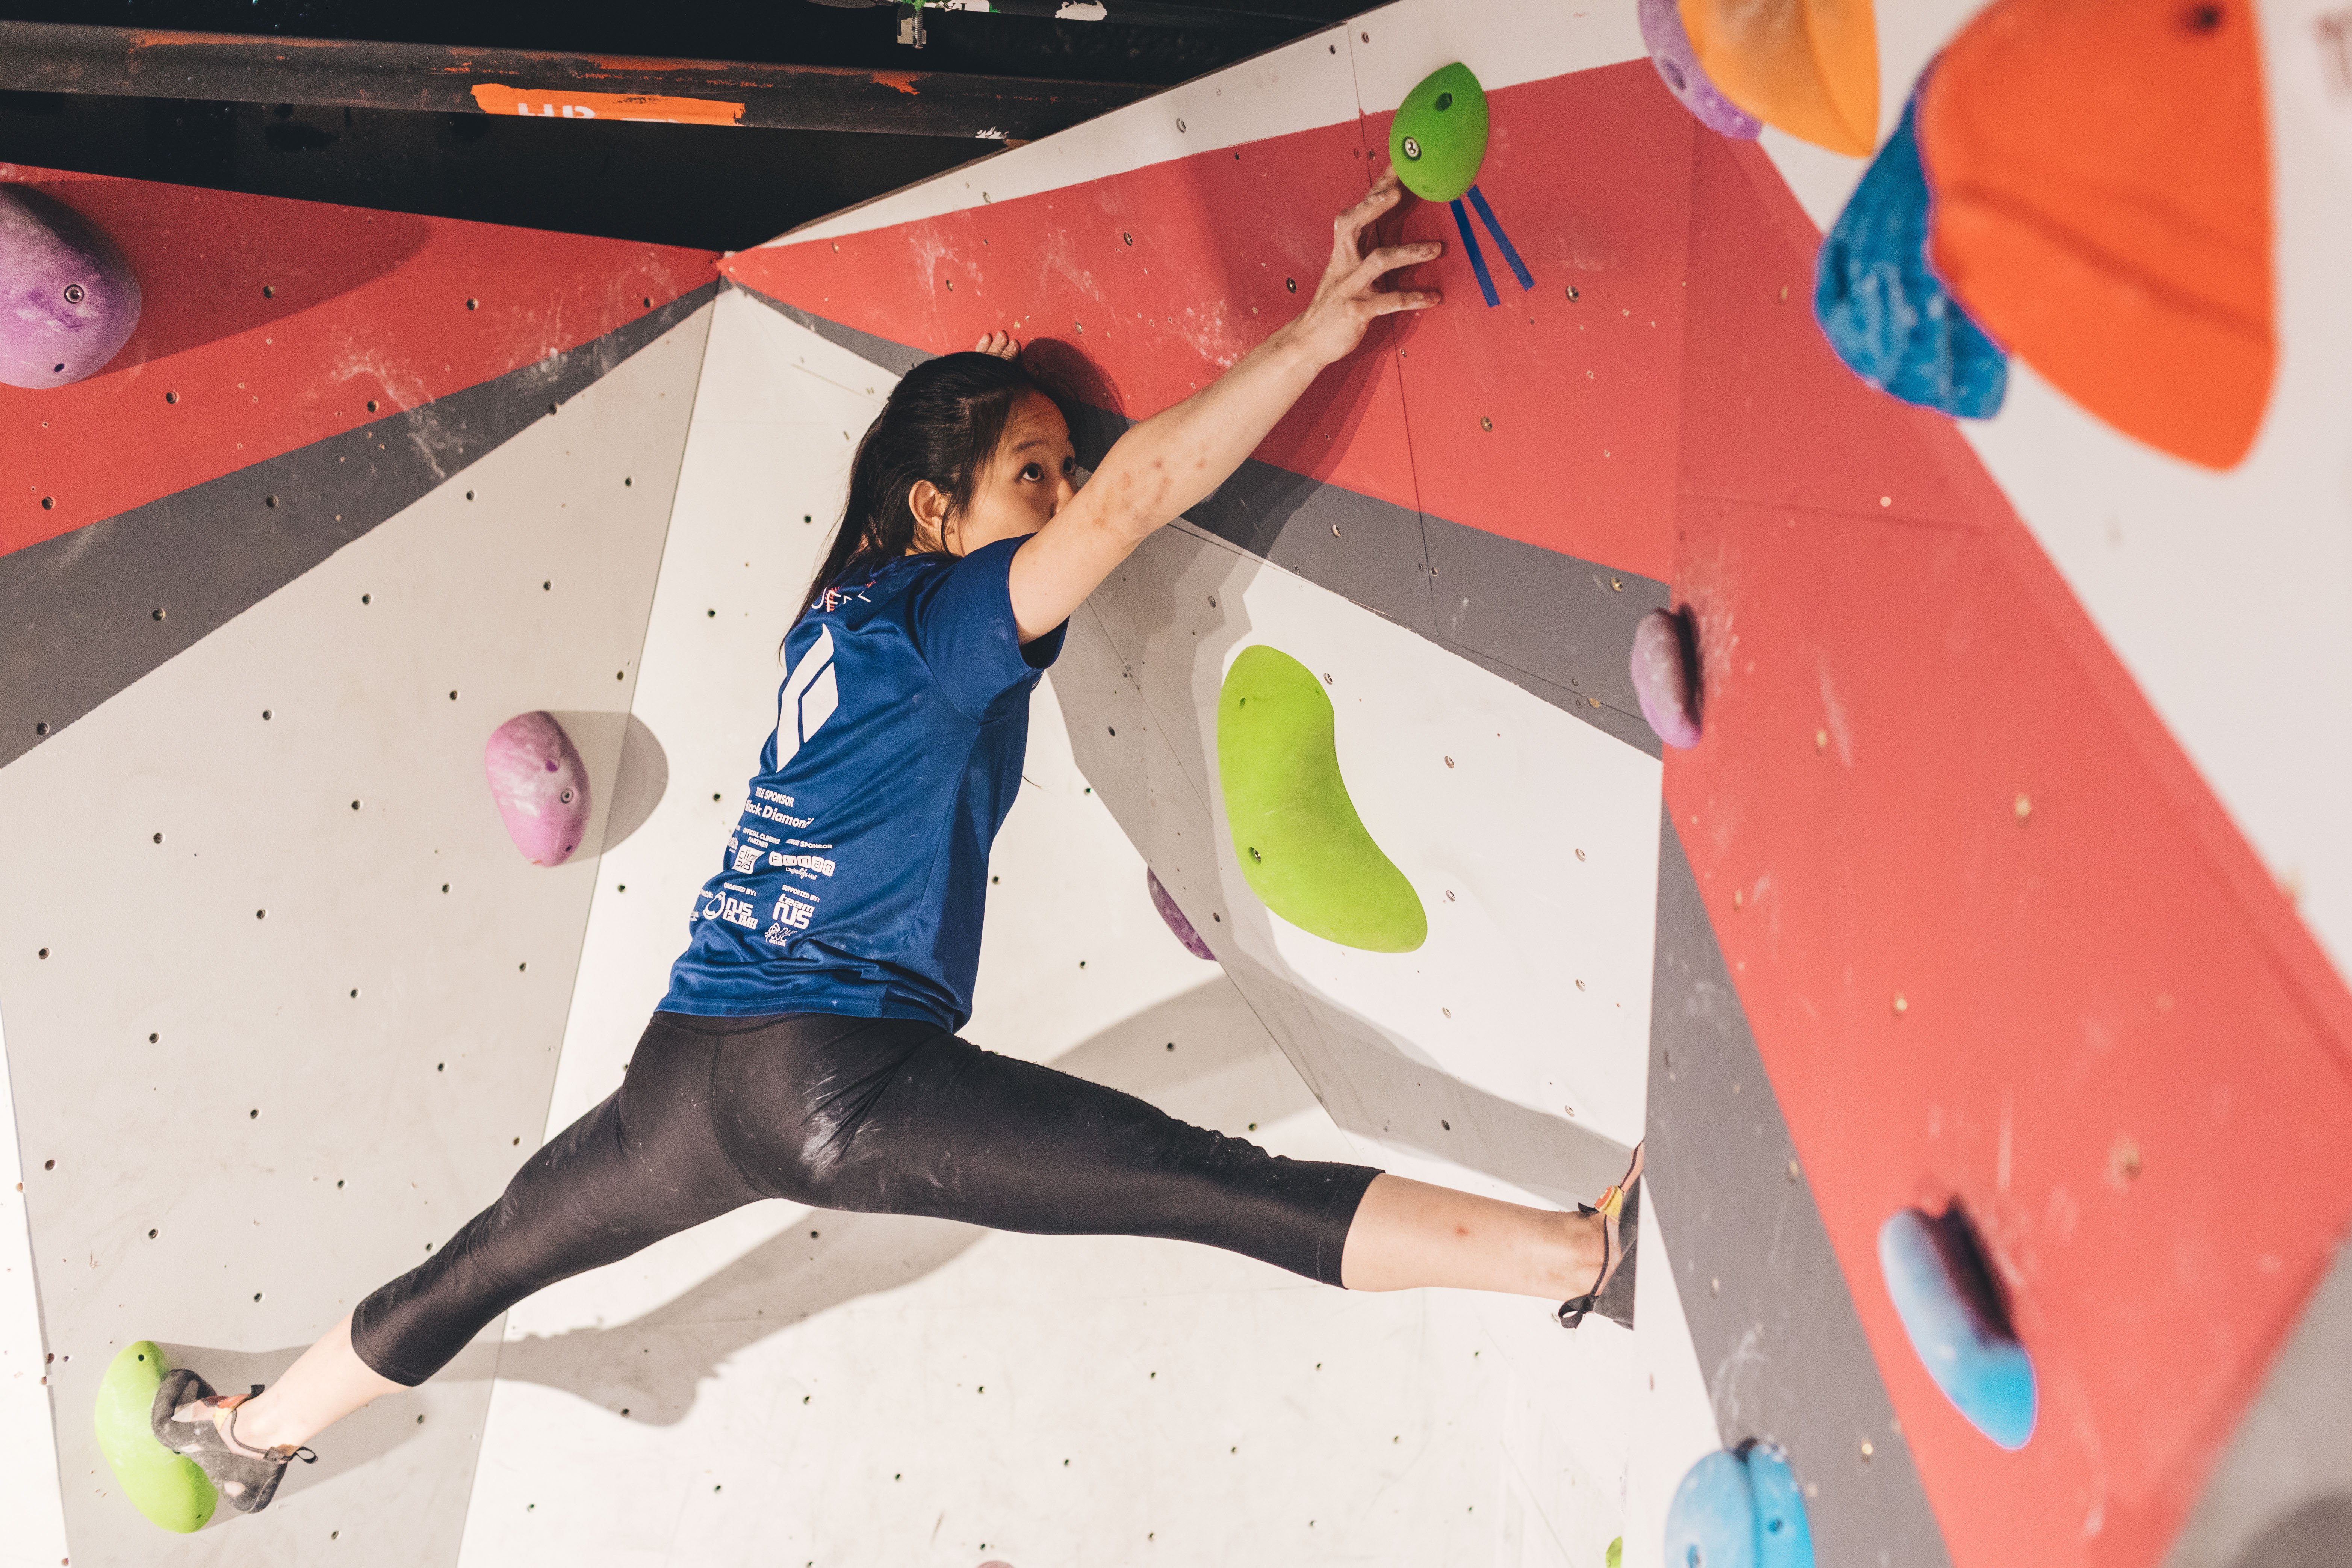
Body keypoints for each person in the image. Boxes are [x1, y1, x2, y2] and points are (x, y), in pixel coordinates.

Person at [149, 165, 1645, 1514]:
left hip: (684, 1079)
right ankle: (1574, 1256)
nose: (1060, 498)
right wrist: (1311, 338)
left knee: (475, 1267)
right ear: (935, 505)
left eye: (1055, 468)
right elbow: (1143, 496)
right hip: (833, 1077)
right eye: (1029, 475)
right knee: (1206, 1183)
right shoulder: (941, 627)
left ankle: (249, 1433)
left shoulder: (835, 619)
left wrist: (993, 395)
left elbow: (1048, 495)